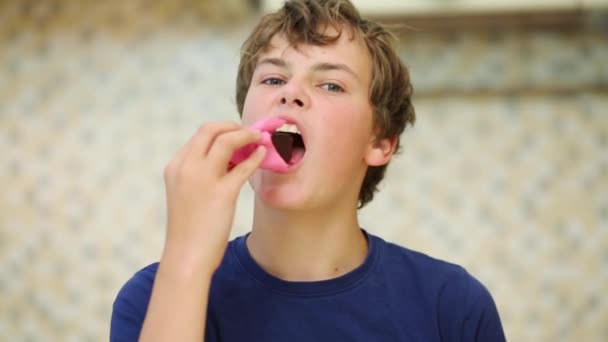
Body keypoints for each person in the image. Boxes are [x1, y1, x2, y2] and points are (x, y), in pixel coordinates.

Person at [110, 0, 506, 341]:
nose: (290, 92)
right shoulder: (152, 300)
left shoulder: (452, 307)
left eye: (331, 85)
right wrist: (187, 257)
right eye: (273, 78)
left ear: (380, 143)